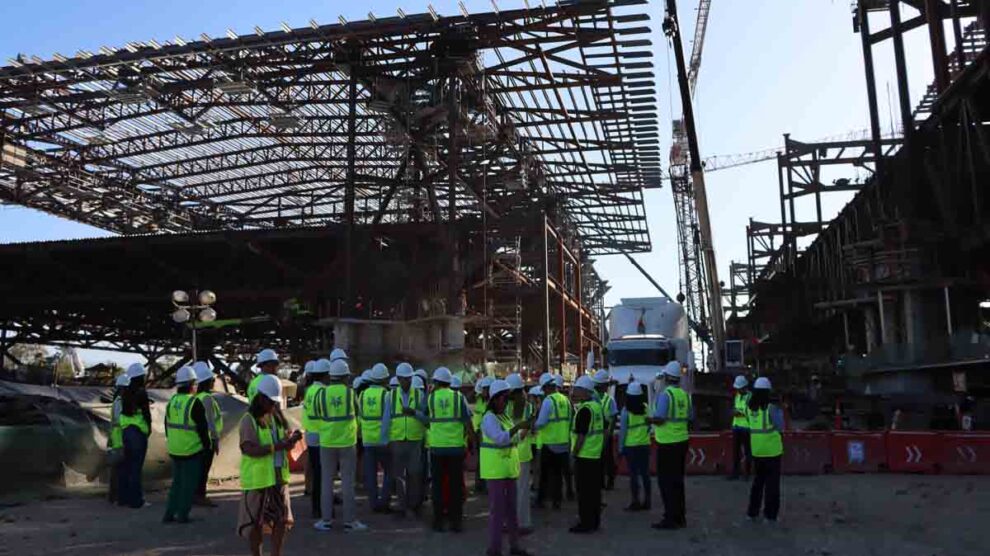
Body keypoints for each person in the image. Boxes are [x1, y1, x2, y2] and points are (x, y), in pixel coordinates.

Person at [237, 374, 301, 556]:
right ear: (260, 399)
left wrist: (291, 440)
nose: (274, 405)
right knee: (255, 524)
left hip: (279, 477)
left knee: (281, 521)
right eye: (271, 402)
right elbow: (248, 449)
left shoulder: (276, 418)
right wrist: (277, 446)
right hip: (258, 480)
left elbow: (281, 441)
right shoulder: (248, 421)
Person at [314, 358, 368, 532]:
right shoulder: (350, 393)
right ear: (345, 376)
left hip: (327, 442)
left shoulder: (321, 394)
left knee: (326, 482)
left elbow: (317, 415)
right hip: (347, 443)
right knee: (347, 483)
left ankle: (326, 520)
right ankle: (349, 521)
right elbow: (359, 413)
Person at [481, 379, 533, 556]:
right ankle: (494, 549)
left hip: (509, 469)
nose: (507, 402)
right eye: (504, 399)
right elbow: (501, 438)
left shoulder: (504, 416)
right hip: (496, 471)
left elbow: (515, 439)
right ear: (494, 399)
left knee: (512, 511)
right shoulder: (488, 418)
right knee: (498, 512)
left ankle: (514, 545)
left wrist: (523, 430)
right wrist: (518, 427)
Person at [426, 367, 474, 532]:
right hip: (455, 449)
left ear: (437, 382)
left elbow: (426, 419)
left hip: (437, 449)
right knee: (455, 486)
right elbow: (468, 422)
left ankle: (438, 521)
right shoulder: (458, 397)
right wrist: (472, 443)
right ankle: (456, 522)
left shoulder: (431, 398)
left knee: (437, 486)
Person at [163, 365, 211, 523]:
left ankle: (169, 513)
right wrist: (207, 446)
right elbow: (203, 429)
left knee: (176, 484)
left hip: (175, 449)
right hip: (191, 450)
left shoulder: (172, 402)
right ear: (192, 385)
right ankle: (182, 514)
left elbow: (167, 424)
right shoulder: (194, 403)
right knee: (188, 485)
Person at [649, 361, 693, 530]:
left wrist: (650, 420)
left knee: (666, 482)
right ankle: (680, 516)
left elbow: (659, 418)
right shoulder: (684, 395)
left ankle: (670, 518)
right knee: (678, 482)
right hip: (682, 441)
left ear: (666, 377)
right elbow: (690, 418)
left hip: (667, 443)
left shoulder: (665, 395)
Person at [384, 362, 427, 517]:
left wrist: (413, 412)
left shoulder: (419, 395)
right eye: (403, 379)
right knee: (399, 476)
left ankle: (413, 505)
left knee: (414, 474)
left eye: (408, 379)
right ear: (398, 379)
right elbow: (386, 419)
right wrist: (385, 440)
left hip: (415, 440)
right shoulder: (391, 396)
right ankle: (404, 506)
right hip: (397, 440)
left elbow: (425, 418)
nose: (406, 382)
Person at [569, 376, 604, 534]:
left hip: (584, 456)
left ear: (584, 391)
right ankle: (594, 521)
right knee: (594, 492)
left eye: (576, 389)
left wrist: (574, 454)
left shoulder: (584, 410)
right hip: (595, 455)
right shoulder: (597, 407)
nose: (574, 391)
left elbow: (581, 436)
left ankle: (585, 523)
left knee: (583, 493)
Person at [747, 377, 784, 523]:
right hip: (772, 451)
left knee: (758, 483)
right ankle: (770, 515)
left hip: (757, 450)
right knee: (772, 485)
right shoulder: (771, 408)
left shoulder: (749, 408)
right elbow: (780, 426)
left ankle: (752, 512)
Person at [534, 373, 571, 509]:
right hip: (564, 443)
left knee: (545, 474)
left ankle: (541, 500)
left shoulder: (548, 401)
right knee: (558, 475)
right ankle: (557, 501)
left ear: (546, 387)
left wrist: (532, 426)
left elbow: (541, 422)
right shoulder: (566, 400)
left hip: (549, 444)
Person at [360, 363, 392, 512]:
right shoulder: (386, 395)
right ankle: (384, 502)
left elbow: (360, 417)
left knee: (371, 474)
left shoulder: (363, 394)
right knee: (388, 472)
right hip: (382, 440)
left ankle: (373, 503)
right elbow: (387, 419)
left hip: (367, 440)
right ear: (385, 378)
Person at [505, 373, 535, 534]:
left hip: (507, 452)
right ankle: (523, 523)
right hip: (523, 454)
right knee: (522, 491)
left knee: (507, 491)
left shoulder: (504, 406)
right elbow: (527, 431)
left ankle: (508, 522)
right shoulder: (529, 407)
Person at [119, 362, 151, 509]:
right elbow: (146, 414)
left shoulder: (125, 393)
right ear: (139, 377)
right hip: (138, 432)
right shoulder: (141, 392)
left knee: (127, 466)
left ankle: (124, 498)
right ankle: (136, 501)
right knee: (136, 468)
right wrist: (148, 428)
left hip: (126, 432)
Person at [302, 359, 330, 520]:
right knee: (323, 474)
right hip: (321, 436)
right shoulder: (324, 392)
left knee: (317, 472)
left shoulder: (310, 390)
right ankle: (320, 507)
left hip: (311, 434)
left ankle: (316, 506)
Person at [618, 382, 651, 511]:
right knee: (645, 474)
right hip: (644, 445)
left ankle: (635, 501)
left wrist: (620, 449)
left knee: (633, 475)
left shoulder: (626, 411)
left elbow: (623, 432)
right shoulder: (646, 408)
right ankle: (647, 501)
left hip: (630, 446)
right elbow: (649, 425)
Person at [193, 361, 222, 507]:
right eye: (212, 379)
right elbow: (210, 422)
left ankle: (195, 495)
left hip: (196, 439)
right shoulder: (207, 399)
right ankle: (200, 496)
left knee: (198, 469)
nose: (214, 381)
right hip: (208, 439)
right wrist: (215, 440)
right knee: (204, 469)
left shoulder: (195, 397)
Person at [591, 369, 618, 490]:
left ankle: (608, 481)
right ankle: (602, 481)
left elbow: (612, 418)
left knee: (606, 458)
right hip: (600, 433)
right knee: (602, 459)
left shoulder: (608, 400)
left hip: (604, 432)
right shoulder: (605, 399)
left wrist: (609, 433)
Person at [107, 373, 130, 505]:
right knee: (120, 470)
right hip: (120, 438)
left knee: (116, 469)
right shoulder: (120, 402)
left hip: (115, 437)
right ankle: (118, 497)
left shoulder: (116, 401)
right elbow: (122, 421)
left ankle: (113, 496)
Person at [729, 375, 752, 481]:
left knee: (748, 452)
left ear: (744, 387)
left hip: (747, 428)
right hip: (737, 427)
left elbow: (752, 413)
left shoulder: (750, 397)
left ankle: (747, 473)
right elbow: (735, 407)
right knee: (736, 452)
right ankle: (735, 472)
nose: (738, 390)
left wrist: (740, 413)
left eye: (739, 388)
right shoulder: (737, 396)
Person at [473, 376, 494, 494]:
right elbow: (476, 417)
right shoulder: (480, 401)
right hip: (481, 434)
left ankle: (488, 485)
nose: (484, 392)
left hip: (491, 435)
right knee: (481, 460)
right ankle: (480, 484)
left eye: (486, 389)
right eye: (484, 389)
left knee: (489, 460)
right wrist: (476, 430)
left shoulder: (496, 402)